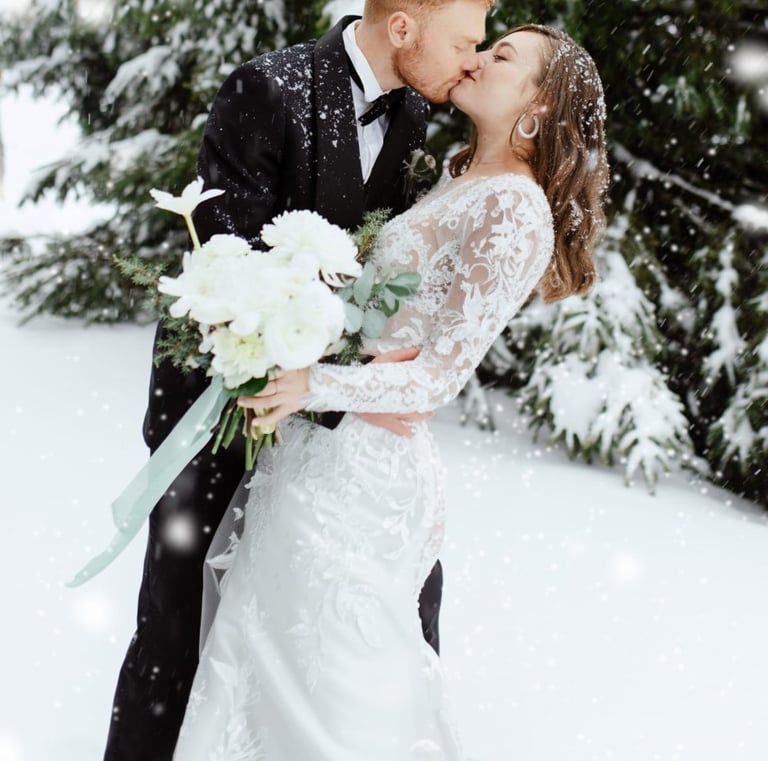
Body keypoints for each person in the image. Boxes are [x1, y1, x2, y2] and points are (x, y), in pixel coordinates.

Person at [173, 23, 609, 761]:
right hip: (316, 455)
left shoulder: (514, 208)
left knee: (336, 688)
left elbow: (440, 373)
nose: (476, 57)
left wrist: (318, 380)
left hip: (366, 477)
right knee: (259, 664)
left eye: (500, 56)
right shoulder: (455, 171)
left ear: (538, 109)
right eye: (481, 41)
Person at [104, 2, 492, 760]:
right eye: (465, 40)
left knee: (401, 591)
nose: (474, 59)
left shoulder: (413, 111)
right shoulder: (269, 89)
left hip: (329, 414)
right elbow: (229, 261)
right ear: (405, 28)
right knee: (178, 618)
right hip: (221, 395)